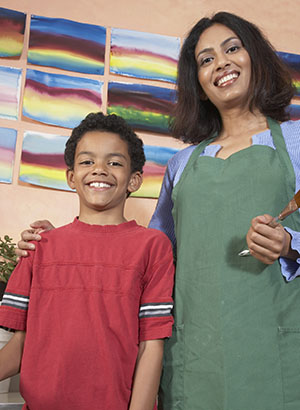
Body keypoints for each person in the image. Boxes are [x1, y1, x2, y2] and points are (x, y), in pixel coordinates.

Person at [15, 11, 300, 410]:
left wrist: (289, 243)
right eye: (205, 59)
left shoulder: (296, 140)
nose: (221, 63)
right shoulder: (182, 164)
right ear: (198, 84)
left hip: (274, 348)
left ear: (255, 57)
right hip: (193, 355)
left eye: (232, 48)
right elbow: (151, 261)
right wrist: (53, 244)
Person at [0, 112, 175, 410]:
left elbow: (151, 346)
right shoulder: (40, 246)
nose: (100, 170)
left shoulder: (153, 247)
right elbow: (19, 346)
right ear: (71, 177)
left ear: (134, 180)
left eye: (115, 162)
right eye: (87, 161)